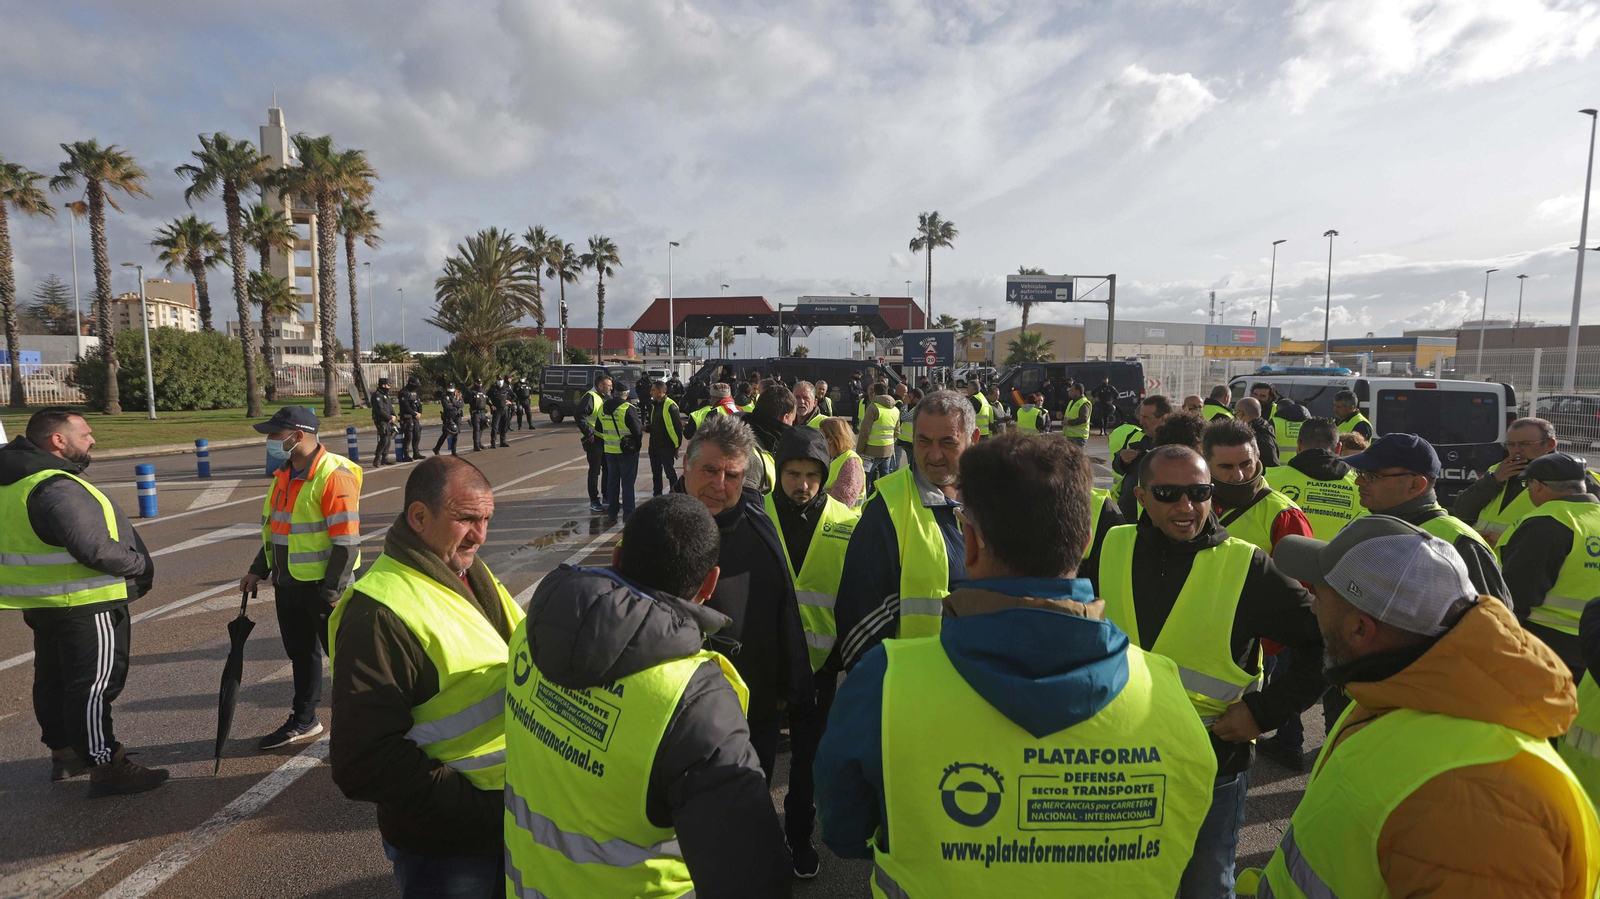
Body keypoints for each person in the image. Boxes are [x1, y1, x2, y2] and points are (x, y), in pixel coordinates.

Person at [815, 433, 1218, 897]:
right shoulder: (1166, 689)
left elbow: (844, 831)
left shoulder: (885, 682)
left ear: (969, 543)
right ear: (1086, 542)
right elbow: (1189, 830)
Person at [1244, 517, 1600, 899]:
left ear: (1360, 629)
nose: (1313, 606)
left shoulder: (1483, 802)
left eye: (1320, 593)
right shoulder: (1399, 690)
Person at [504, 496, 792, 899]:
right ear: (710, 584)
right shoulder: (693, 699)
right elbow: (749, 875)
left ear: (617, 557)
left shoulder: (529, 633)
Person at [1101, 445, 1326, 897]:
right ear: (1141, 497)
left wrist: (1263, 712)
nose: (1186, 506)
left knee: (1204, 886)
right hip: (1119, 763)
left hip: (1211, 767)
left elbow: (1327, 642)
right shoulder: (1112, 545)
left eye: (1199, 493)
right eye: (1168, 494)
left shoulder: (1247, 565)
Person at [330, 457, 524, 897]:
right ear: (419, 517)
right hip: (451, 847)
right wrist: (483, 810)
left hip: (504, 823)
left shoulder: (464, 570)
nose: (480, 535)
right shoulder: (378, 614)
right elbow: (363, 763)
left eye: (487, 519)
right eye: (467, 519)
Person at [0, 408, 163, 796]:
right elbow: (95, 549)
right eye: (85, 434)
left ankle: (66, 754)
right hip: (87, 601)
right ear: (58, 440)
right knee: (93, 686)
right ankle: (107, 765)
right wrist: (140, 564)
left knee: (53, 680)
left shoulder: (13, 481)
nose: (93, 440)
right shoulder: (55, 485)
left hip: (44, 601)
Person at [676, 414, 813, 780]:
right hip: (681, 715)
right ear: (686, 465)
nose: (719, 485)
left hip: (756, 710)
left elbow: (784, 608)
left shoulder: (758, 525)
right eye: (709, 470)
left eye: (732, 475)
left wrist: (786, 688)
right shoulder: (657, 528)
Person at [763, 428, 860, 878]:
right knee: (756, 760)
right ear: (779, 473)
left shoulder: (847, 523)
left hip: (821, 668)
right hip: (764, 666)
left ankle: (799, 838)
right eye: (793, 474)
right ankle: (757, 841)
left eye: (812, 476)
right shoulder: (756, 515)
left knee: (807, 764)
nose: (802, 485)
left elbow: (855, 596)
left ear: (824, 475)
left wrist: (841, 657)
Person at [242, 405, 364, 750]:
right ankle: (305, 719)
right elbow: (277, 531)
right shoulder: (284, 474)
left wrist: (334, 590)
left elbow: (346, 541)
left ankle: (360, 727)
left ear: (298, 436)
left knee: (345, 660)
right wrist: (258, 570)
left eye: (274, 434)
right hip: (289, 584)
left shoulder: (333, 475)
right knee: (301, 654)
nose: (269, 440)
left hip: (325, 588)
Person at [835, 390, 975, 671]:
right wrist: (885, 689)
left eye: (948, 442)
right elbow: (859, 624)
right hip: (918, 686)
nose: (934, 455)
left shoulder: (997, 500)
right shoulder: (886, 508)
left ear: (974, 440)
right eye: (923, 441)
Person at [1341, 433, 1508, 600]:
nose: (1358, 481)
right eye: (1359, 473)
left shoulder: (1460, 542)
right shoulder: (1361, 522)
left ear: (1415, 485)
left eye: (1370, 476)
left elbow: (1492, 614)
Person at [1496, 452, 1600, 680]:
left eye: (1528, 485)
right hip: (1593, 643)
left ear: (1538, 485)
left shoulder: (1547, 521)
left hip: (1548, 644)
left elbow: (1517, 592)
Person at [1456, 417, 1600, 547]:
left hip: (1529, 558)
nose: (1516, 450)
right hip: (1486, 558)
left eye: (1525, 444)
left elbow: (1584, 532)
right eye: (1510, 444)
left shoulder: (1573, 476)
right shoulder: (1497, 470)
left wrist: (1509, 541)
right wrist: (1493, 480)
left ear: (1550, 444)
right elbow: (1462, 511)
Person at [1202, 419, 1313, 554]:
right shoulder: (1190, 502)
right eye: (1226, 467)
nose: (1238, 476)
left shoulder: (1285, 516)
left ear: (1257, 457)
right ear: (1206, 464)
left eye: (1246, 464)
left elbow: (1298, 567)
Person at [1263, 417, 1364, 540]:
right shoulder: (1361, 487)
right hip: (1341, 553)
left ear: (1299, 445)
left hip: (1286, 552)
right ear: (1338, 448)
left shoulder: (1268, 481)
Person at [1110, 394, 1172, 506]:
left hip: (1160, 509)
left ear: (1164, 419)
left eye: (1146, 417)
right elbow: (1117, 468)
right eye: (1141, 416)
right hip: (1129, 508)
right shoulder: (1135, 436)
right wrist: (1122, 460)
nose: (1141, 422)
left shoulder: (1177, 443)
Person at [598, 379, 643, 524]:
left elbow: (598, 428)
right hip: (626, 451)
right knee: (628, 483)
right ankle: (628, 514)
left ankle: (612, 512)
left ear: (614, 392)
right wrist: (637, 447)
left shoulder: (603, 407)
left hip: (609, 451)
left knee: (612, 482)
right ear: (627, 393)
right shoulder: (627, 408)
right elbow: (637, 431)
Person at [744, 384, 796, 492]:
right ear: (785, 418)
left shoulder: (747, 431)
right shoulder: (752, 457)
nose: (792, 426)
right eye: (792, 421)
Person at [576, 374, 612, 513]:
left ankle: (607, 497)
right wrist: (589, 433)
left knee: (608, 468)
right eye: (609, 386)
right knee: (595, 471)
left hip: (604, 439)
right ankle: (594, 500)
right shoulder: (590, 396)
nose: (611, 388)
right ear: (600, 386)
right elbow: (579, 415)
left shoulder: (605, 397)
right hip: (593, 440)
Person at [855, 382, 899, 491]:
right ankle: (884, 498)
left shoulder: (873, 407)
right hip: (888, 450)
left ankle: (866, 499)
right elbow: (897, 432)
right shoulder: (895, 410)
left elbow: (865, 432)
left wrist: (859, 450)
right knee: (885, 477)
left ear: (875, 393)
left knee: (866, 477)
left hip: (871, 450)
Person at [1253, 383, 1309, 464]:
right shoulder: (1247, 407)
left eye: (1262, 396)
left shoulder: (1279, 410)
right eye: (1255, 394)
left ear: (1271, 398)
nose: (1257, 398)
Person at [646, 379, 684, 496]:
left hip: (666, 446)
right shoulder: (655, 405)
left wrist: (677, 446)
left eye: (653, 390)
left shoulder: (670, 406)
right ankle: (657, 495)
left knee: (670, 472)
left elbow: (678, 428)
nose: (650, 392)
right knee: (656, 473)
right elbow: (656, 424)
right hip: (654, 445)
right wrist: (646, 428)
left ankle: (675, 495)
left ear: (661, 391)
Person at [820, 417, 864, 508]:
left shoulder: (850, 462)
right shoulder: (830, 457)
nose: (818, 439)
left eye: (821, 436)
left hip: (846, 515)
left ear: (830, 439)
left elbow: (843, 499)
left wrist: (817, 492)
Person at [1232, 397, 1280, 468]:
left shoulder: (1255, 435)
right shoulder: (1266, 429)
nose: (1234, 416)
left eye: (1235, 412)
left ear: (1240, 414)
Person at [371, 376, 397, 466]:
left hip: (388, 420)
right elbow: (379, 410)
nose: (389, 387)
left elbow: (390, 407)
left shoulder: (386, 395)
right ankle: (377, 458)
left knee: (388, 439)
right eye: (388, 385)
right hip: (381, 420)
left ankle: (385, 458)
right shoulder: (377, 395)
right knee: (384, 439)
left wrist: (394, 415)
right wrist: (389, 417)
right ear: (383, 385)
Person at [398, 376, 424, 462]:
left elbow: (419, 404)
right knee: (408, 436)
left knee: (417, 434)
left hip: (415, 417)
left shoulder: (415, 393)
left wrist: (419, 413)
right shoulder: (403, 393)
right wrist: (414, 413)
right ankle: (406, 454)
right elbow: (405, 406)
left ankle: (416, 453)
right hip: (407, 417)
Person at [433, 384, 463, 456]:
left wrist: (454, 404)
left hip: (457, 416)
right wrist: (455, 406)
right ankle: (437, 448)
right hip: (449, 417)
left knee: (456, 434)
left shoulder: (458, 395)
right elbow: (446, 406)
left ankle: (454, 451)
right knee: (446, 433)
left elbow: (461, 404)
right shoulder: (444, 396)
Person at [1061, 381, 1091, 446]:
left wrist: (1068, 422)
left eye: (1072, 390)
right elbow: (1071, 415)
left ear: (1078, 391)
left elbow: (1083, 418)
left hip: (1078, 438)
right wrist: (1062, 416)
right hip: (1070, 436)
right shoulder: (1071, 402)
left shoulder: (1084, 403)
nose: (1070, 392)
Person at [487, 375, 512, 448]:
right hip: (497, 410)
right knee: (495, 426)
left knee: (504, 426)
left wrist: (510, 401)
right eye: (498, 380)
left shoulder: (506, 387)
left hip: (505, 409)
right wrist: (491, 405)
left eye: (501, 380)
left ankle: (503, 441)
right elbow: (486, 397)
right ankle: (493, 443)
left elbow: (514, 396)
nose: (500, 381)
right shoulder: (493, 388)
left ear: (503, 380)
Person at [466, 378, 489, 453]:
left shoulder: (483, 392)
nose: (479, 385)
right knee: (476, 429)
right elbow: (466, 400)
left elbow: (487, 401)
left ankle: (479, 443)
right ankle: (476, 445)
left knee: (482, 428)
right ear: (475, 383)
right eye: (478, 383)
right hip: (475, 413)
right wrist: (472, 397)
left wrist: (491, 405)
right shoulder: (471, 392)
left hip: (483, 412)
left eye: (480, 383)